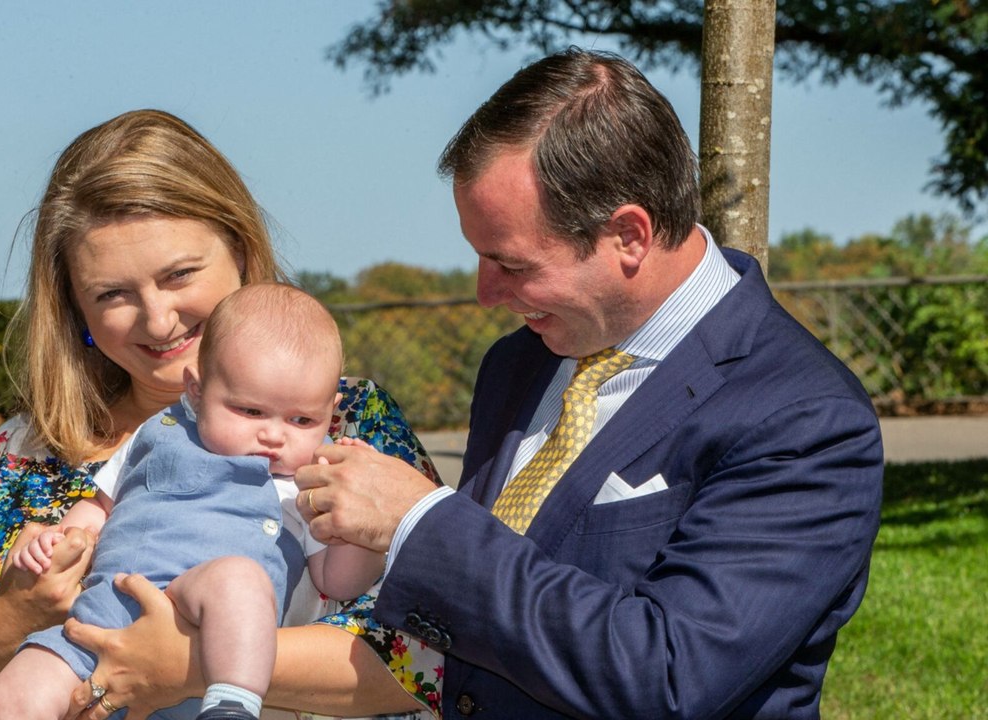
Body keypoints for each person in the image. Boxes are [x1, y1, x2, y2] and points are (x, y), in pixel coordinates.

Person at [294, 48, 885, 719]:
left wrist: (422, 521)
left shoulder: (803, 417)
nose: (486, 293)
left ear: (629, 235)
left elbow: (668, 677)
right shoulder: (518, 363)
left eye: (510, 263)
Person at [0, 109, 445, 720]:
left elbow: (435, 654)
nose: (158, 319)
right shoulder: (19, 457)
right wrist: (10, 624)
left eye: (180, 275)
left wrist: (181, 668)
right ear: (75, 308)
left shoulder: (346, 427)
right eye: (112, 293)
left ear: (241, 253)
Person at [0, 283, 385, 720]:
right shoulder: (159, 432)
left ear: (332, 409)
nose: (274, 435)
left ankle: (233, 706)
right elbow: (100, 507)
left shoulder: (313, 482)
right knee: (10, 696)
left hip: (206, 663)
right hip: (95, 626)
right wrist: (59, 538)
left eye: (302, 420)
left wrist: (357, 529)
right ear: (196, 390)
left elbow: (340, 582)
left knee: (238, 579)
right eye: (249, 411)